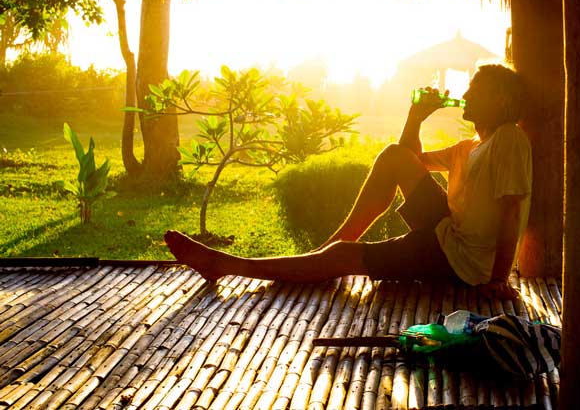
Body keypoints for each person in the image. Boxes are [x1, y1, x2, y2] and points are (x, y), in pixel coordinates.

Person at [165, 63, 532, 299]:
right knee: (392, 154)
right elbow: (406, 159)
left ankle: (230, 265)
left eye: (475, 90)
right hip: (448, 233)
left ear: (499, 99)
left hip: (461, 263)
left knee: (340, 258)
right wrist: (415, 117)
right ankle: (333, 248)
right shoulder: (470, 146)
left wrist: (498, 280)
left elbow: (513, 210)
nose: (465, 95)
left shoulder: (508, 138)